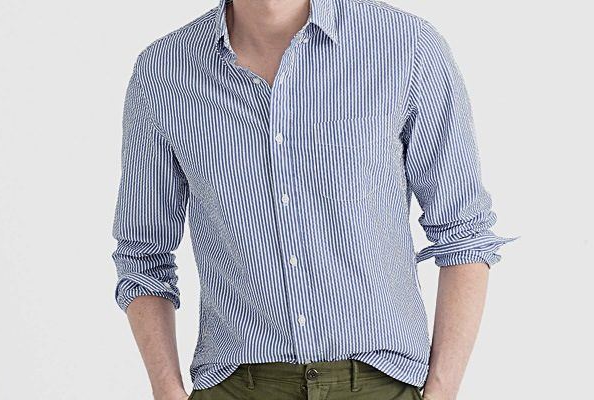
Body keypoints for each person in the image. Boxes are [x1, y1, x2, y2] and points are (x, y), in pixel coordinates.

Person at [110, 0, 519, 399]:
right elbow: (142, 253)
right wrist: (166, 388)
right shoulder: (163, 72)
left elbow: (463, 231)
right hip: (238, 384)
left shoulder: (405, 46)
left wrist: (443, 390)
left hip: (381, 382)